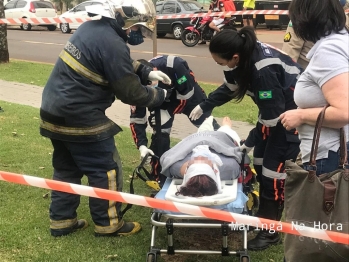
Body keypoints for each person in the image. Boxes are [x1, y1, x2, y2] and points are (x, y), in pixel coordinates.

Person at [40, 0, 173, 238]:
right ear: (122, 19)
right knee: (106, 169)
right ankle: (109, 224)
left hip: (52, 110)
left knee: (66, 168)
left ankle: (61, 221)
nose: (137, 34)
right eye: (136, 28)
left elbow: (115, 62)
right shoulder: (112, 42)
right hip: (79, 114)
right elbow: (130, 92)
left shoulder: (90, 28)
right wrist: (159, 96)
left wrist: (145, 70)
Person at [189, 26, 303, 250]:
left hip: (291, 120)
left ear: (235, 57)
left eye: (222, 63)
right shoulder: (241, 56)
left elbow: (272, 119)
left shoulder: (263, 70)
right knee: (260, 166)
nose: (220, 66)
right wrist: (206, 104)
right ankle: (262, 220)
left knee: (272, 174)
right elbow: (231, 87)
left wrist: (249, 142)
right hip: (275, 116)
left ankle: (271, 233)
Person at [279, 0, 349, 176]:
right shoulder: (341, 41)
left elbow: (343, 112)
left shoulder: (329, 50)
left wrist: (301, 115)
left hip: (330, 156)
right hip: (337, 150)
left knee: (324, 203)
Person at [130, 55, 213, 187]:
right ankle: (159, 176)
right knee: (160, 137)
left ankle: (223, 164)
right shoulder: (135, 89)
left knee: (210, 130)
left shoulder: (174, 65)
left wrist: (166, 95)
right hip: (160, 102)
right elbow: (137, 119)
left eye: (150, 83)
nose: (149, 87)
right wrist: (141, 145)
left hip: (190, 98)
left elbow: (186, 94)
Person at [160, 116, 243, 197]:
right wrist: (226, 128)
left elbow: (166, 157)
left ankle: (208, 121)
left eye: (196, 160)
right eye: (205, 160)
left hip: (196, 138)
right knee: (227, 131)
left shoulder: (175, 165)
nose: (200, 156)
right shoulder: (229, 167)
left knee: (204, 127)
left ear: (187, 169)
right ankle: (221, 125)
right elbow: (235, 150)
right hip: (221, 138)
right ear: (214, 170)